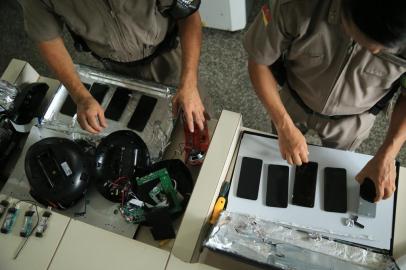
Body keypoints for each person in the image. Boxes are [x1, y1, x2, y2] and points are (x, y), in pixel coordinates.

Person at [245, 0, 406, 202]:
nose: (374, 52)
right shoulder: (294, 5)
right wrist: (283, 125)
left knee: (333, 179)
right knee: (277, 159)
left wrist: (389, 152)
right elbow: (258, 62)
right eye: (366, 38)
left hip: (354, 120)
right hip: (293, 100)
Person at [18, 0, 207, 134]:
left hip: (172, 55)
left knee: (198, 123)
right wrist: (81, 96)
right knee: (135, 126)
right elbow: (47, 39)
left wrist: (189, 83)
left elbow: (188, 16)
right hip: (113, 68)